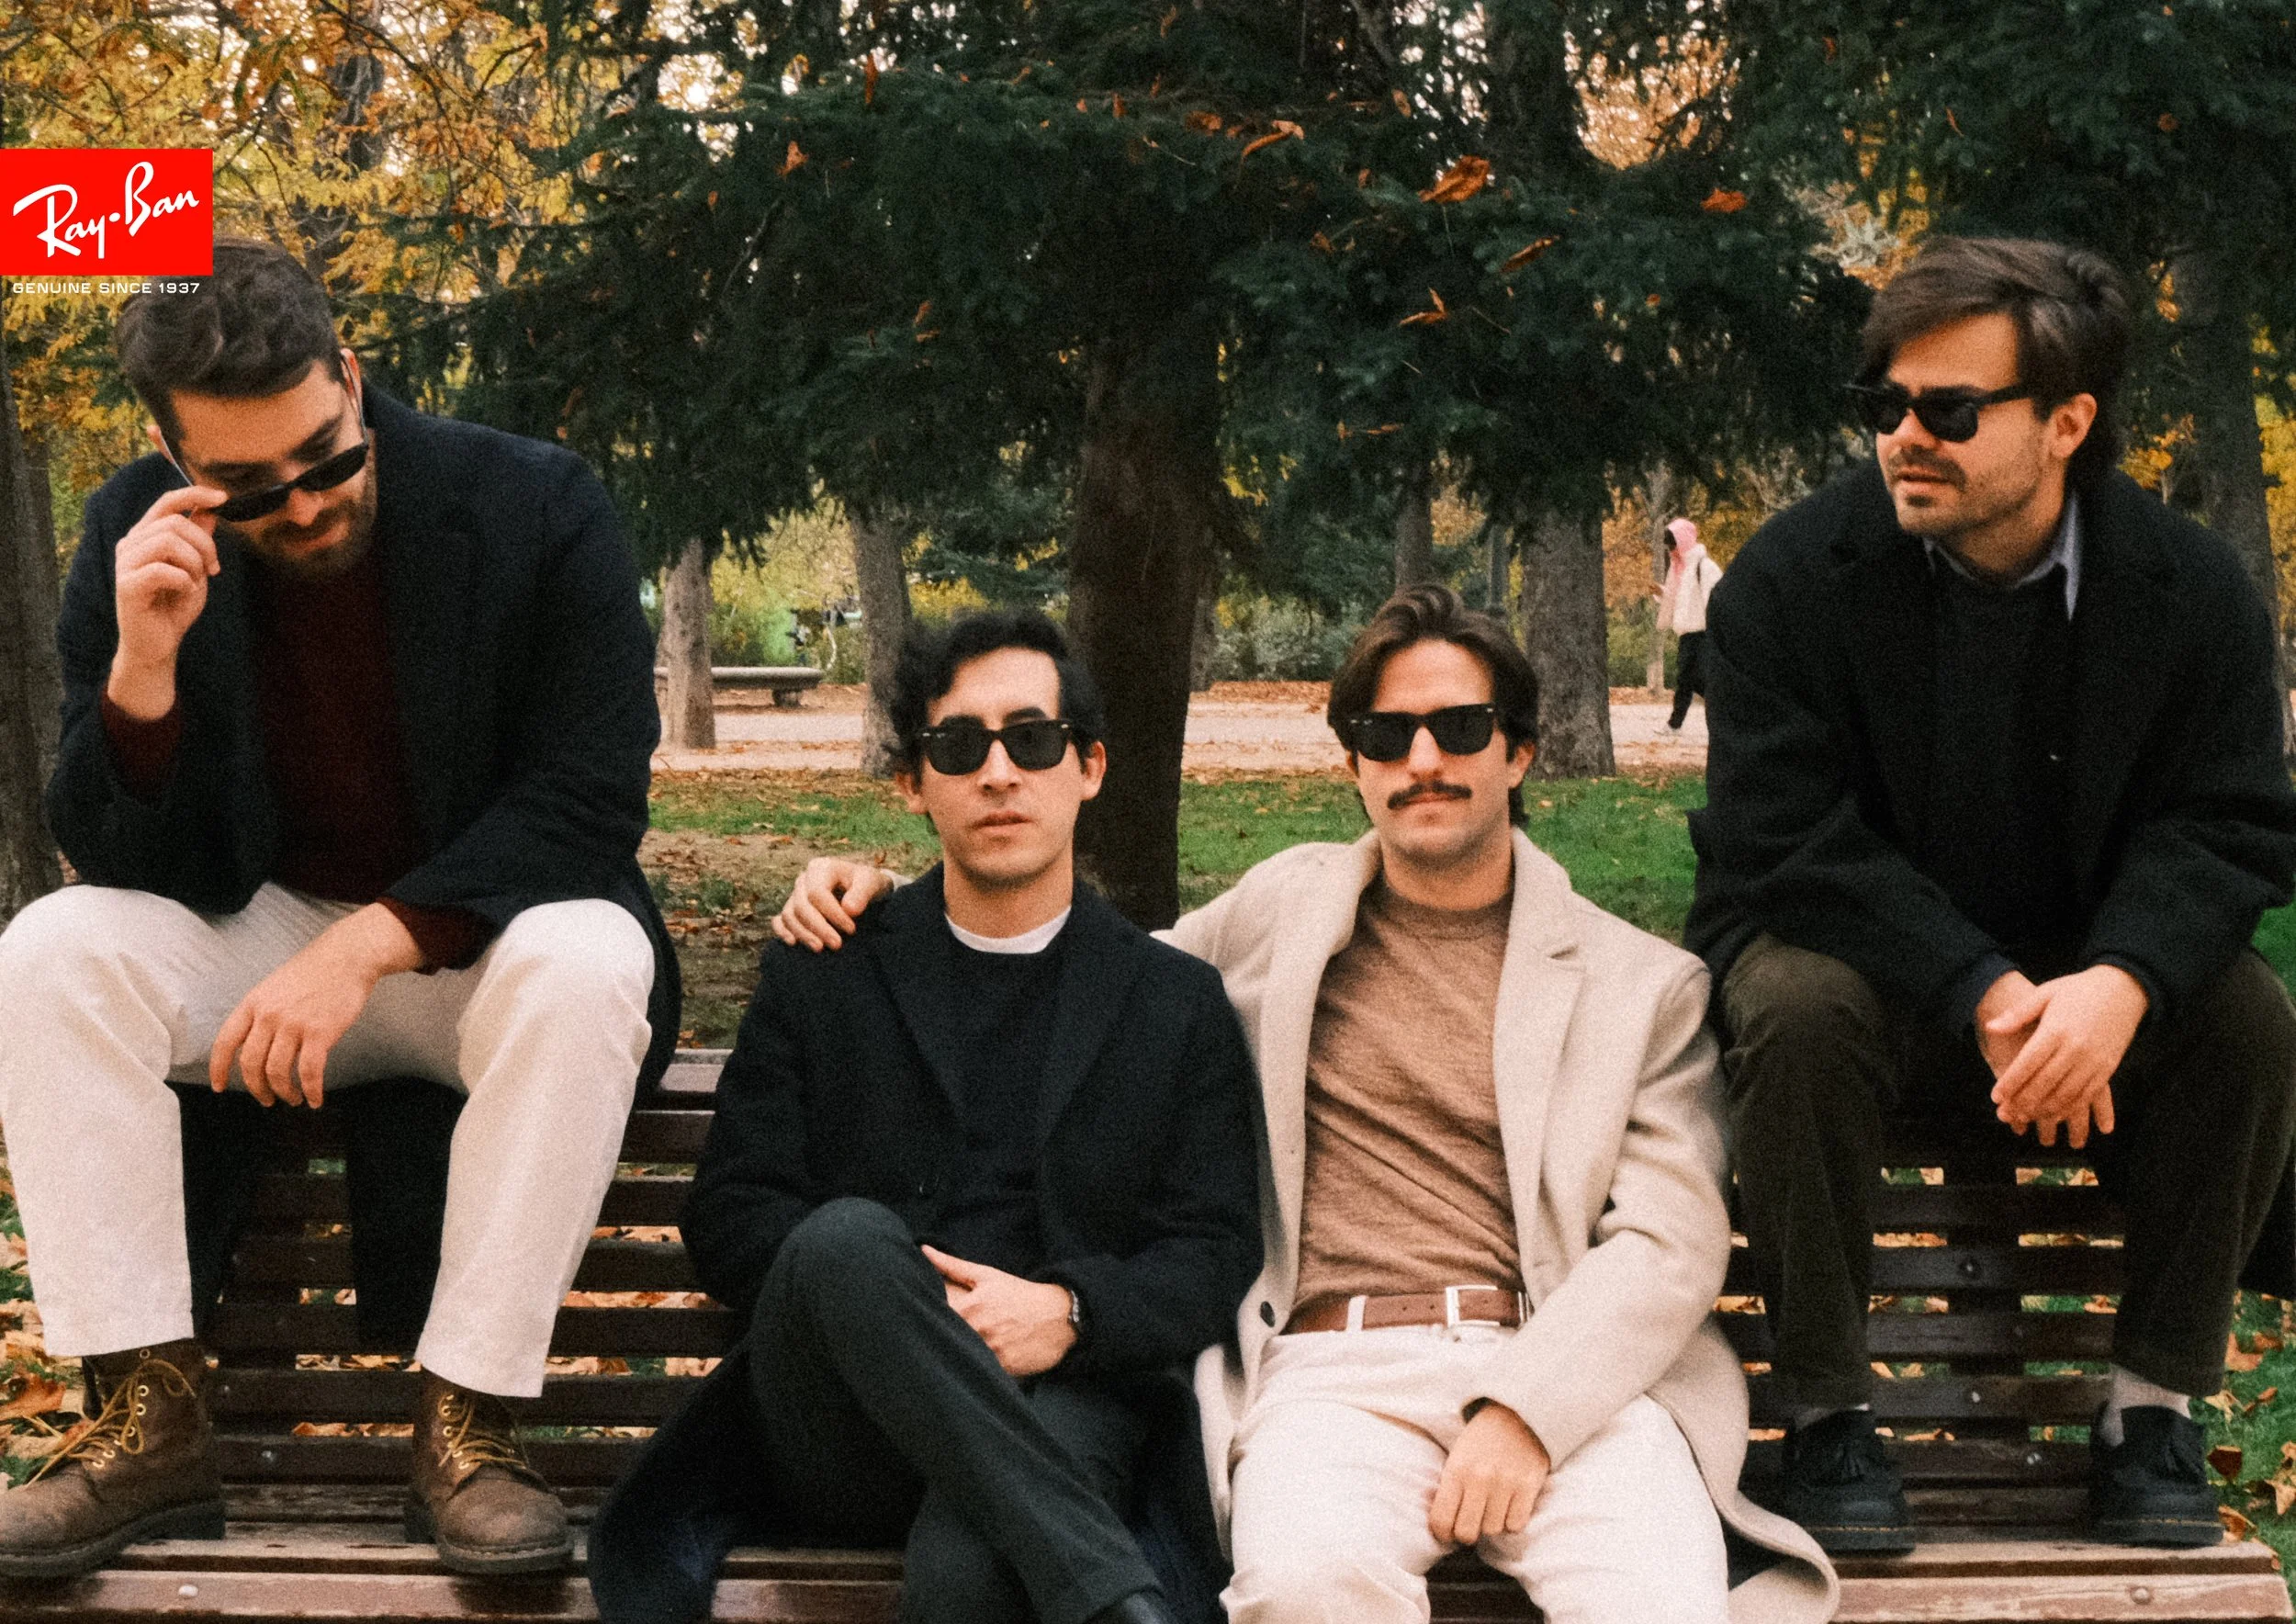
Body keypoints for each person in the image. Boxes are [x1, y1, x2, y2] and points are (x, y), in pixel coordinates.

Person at [772, 588, 1837, 1624]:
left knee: (1650, 1606)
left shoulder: (1639, 983)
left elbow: (1667, 1244)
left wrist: (1526, 1413)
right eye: (1388, 733)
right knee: (1304, 1593)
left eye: (1459, 728)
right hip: (1330, 1377)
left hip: (1562, 1374)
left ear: (1517, 752)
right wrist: (879, 898)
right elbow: (1079, 974)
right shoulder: (1284, 911)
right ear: (1354, 765)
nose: (1423, 760)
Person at [0, 239, 679, 1577]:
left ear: (353, 380)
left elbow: (590, 797)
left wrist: (368, 946)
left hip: (480, 954)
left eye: (325, 458)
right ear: (172, 449)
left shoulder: (534, 502)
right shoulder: (131, 536)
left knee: (596, 954)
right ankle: (148, 1419)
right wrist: (144, 670)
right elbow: (106, 845)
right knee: (51, 950)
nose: (303, 505)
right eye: (249, 488)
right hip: (259, 939)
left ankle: (468, 1425)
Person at [1688, 235, 2296, 1552]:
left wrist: (2123, 982)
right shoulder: (1791, 584)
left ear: (2068, 420)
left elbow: (2231, 824)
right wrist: (1988, 988)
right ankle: (1832, 1423)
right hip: (1872, 998)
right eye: (1886, 405)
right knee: (1790, 997)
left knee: (2246, 1014)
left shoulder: (2192, 595)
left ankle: (2151, 1416)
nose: (1907, 436)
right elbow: (1783, 838)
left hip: (2088, 1000)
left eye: (1950, 411)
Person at [587, 610, 1262, 1624]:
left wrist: (1068, 1312)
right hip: (844, 1425)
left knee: (969, 1571)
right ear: (913, 781)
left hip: (1069, 1391)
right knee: (850, 1241)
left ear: (1089, 767)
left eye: (1032, 740)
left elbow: (1211, 1250)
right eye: (960, 745)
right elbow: (730, 1218)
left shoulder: (1173, 1001)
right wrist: (904, 1311)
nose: (999, 773)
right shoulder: (827, 970)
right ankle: (1122, 1600)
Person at [1659, 518, 1723, 730]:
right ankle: (1675, 724)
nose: (1671, 551)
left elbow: (1714, 601)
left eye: (1673, 545)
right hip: (1687, 633)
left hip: (1703, 633)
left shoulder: (1704, 567)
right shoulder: (1682, 570)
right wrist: (1662, 595)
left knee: (1697, 680)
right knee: (1687, 680)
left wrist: (1716, 633)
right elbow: (1680, 600)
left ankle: (1726, 713)